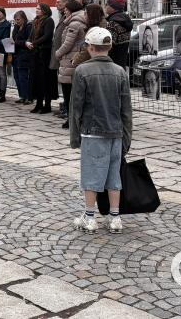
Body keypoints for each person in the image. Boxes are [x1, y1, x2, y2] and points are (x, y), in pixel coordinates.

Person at [69, 26, 132, 235]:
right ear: (109, 47)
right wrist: (127, 137)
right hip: (116, 132)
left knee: (91, 175)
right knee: (114, 176)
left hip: (92, 131)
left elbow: (76, 106)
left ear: (89, 47)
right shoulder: (120, 72)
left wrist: (74, 137)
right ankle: (115, 218)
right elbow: (126, 110)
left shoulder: (82, 71)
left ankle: (89, 217)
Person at [54, 0, 87, 126]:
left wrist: (57, 53)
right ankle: (73, 119)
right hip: (72, 59)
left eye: (66, 9)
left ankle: (71, 120)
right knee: (72, 93)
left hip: (70, 60)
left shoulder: (74, 23)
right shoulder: (78, 20)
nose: (64, 11)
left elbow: (68, 44)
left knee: (69, 93)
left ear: (71, 10)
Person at [27, 3, 56, 114]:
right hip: (36, 54)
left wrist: (33, 43)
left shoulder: (49, 20)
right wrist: (28, 42)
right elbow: (31, 35)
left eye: (39, 9)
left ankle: (47, 105)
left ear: (44, 10)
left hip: (44, 53)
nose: (37, 10)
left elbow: (47, 36)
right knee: (37, 80)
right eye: (36, 8)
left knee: (45, 80)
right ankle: (38, 104)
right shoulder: (35, 21)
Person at [49, 0, 71, 115]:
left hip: (64, 54)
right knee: (62, 81)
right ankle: (66, 106)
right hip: (60, 54)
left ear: (66, 3)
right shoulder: (63, 15)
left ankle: (67, 109)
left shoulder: (69, 17)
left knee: (66, 83)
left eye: (59, 2)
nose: (56, 4)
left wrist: (59, 52)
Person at [10, 11, 33, 104]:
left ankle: (28, 97)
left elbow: (27, 40)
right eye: (15, 20)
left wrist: (18, 42)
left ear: (23, 18)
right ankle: (22, 96)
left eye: (18, 19)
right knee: (17, 77)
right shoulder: (16, 27)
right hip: (16, 55)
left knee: (23, 77)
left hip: (24, 55)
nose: (17, 21)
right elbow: (14, 39)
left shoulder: (28, 26)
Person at [104, 0, 132, 68]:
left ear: (113, 7)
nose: (105, 6)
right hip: (121, 63)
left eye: (107, 4)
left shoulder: (113, 23)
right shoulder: (125, 20)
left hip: (111, 64)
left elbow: (108, 46)